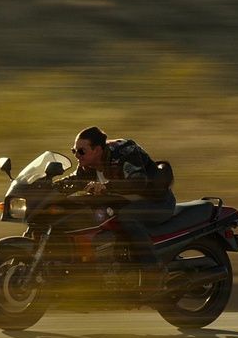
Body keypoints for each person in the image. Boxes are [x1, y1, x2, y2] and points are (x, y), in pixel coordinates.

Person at [58, 126, 176, 294]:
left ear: (97, 149)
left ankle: (154, 271)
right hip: (126, 203)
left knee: (127, 218)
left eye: (81, 151)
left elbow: (138, 182)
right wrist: (47, 186)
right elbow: (74, 181)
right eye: (74, 151)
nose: (77, 155)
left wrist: (106, 187)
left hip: (156, 202)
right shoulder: (87, 166)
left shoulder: (124, 152)